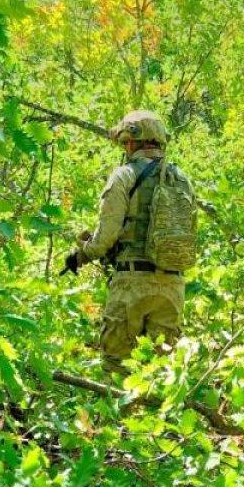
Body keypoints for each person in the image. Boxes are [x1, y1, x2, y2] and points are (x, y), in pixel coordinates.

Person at [62, 110, 191, 373]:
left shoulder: (124, 175)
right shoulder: (182, 180)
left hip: (131, 286)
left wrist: (80, 255)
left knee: (117, 370)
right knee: (161, 377)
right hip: (172, 288)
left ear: (131, 141)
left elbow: (104, 239)